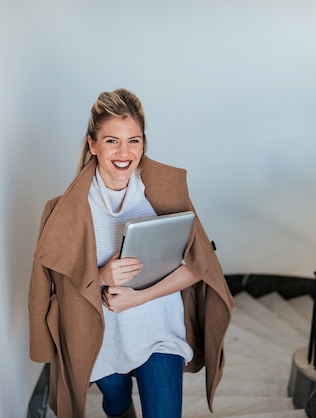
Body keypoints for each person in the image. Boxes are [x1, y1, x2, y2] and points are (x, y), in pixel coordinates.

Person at [28, 88, 234, 418]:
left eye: (134, 140)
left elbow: (200, 266)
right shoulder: (63, 210)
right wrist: (101, 277)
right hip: (103, 340)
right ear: (93, 144)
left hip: (159, 332)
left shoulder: (164, 192)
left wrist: (140, 297)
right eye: (112, 140)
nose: (125, 152)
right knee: (117, 404)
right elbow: (55, 289)